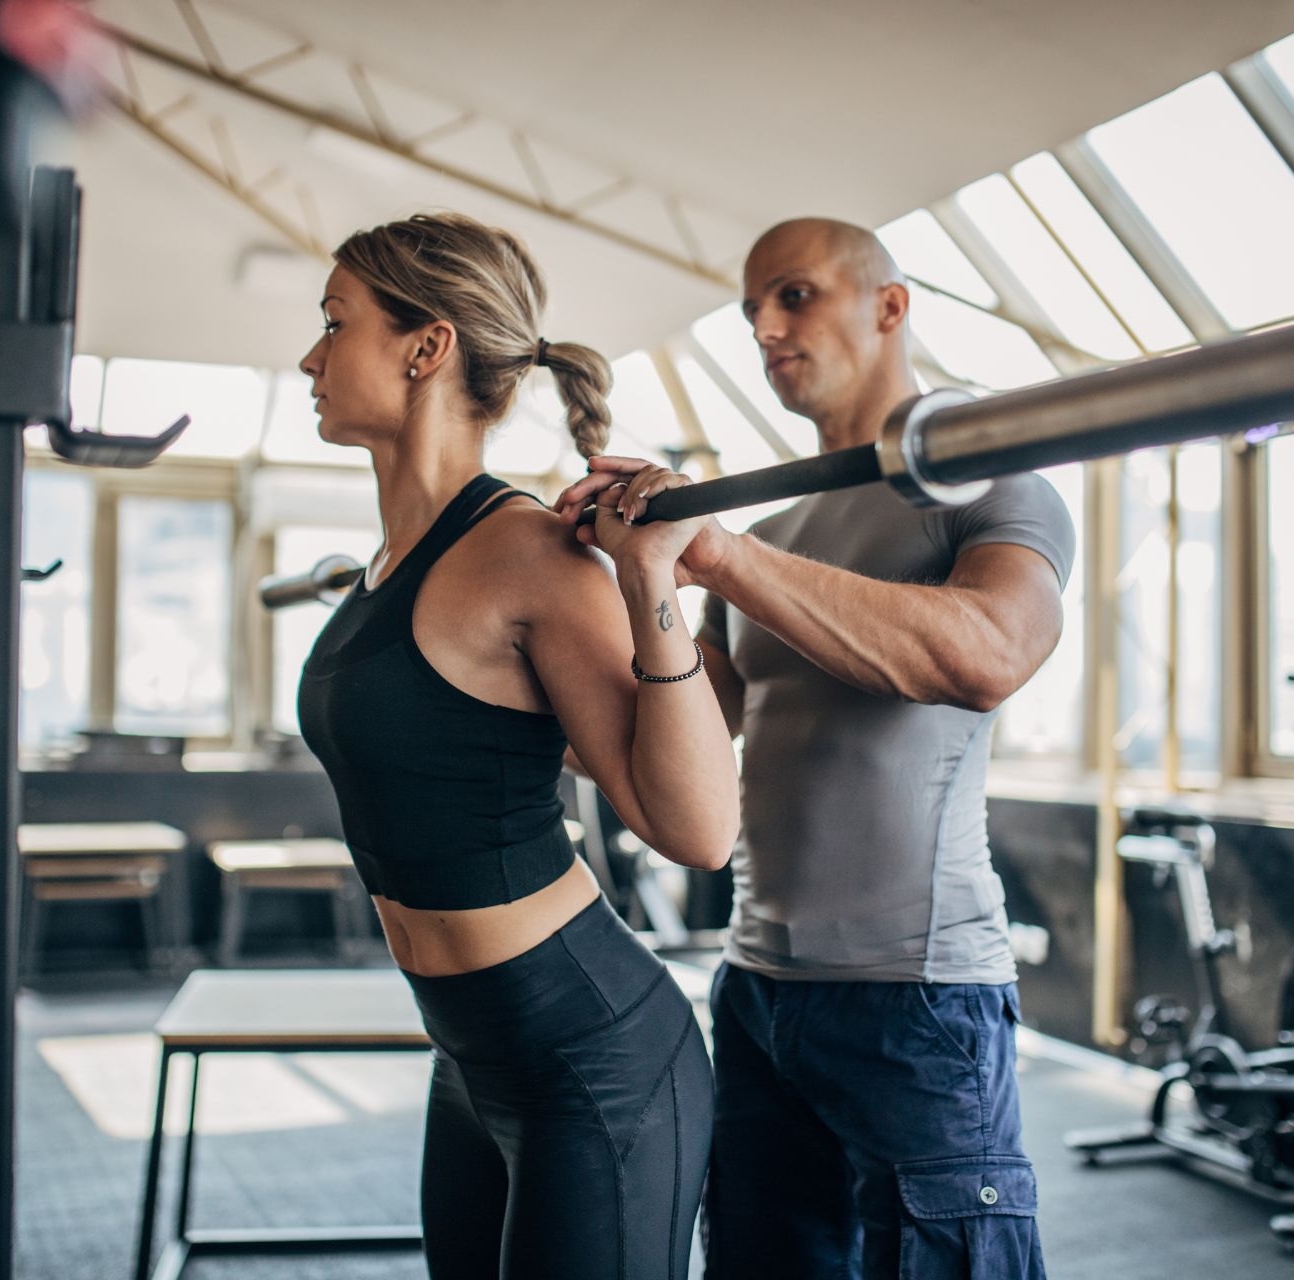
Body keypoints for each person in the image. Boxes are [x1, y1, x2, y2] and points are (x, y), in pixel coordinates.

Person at [558, 217, 1074, 1279]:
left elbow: (985, 654)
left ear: (890, 305)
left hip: (916, 995)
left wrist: (718, 553)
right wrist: (601, 581)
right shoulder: (781, 531)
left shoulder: (997, 487)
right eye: (752, 310)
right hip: (755, 990)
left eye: (794, 295)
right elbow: (682, 716)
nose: (766, 327)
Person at [294, 212, 738, 1280]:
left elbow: (700, 828)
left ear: (425, 346)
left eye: (333, 323)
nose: (310, 356)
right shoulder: (388, 563)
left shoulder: (532, 554)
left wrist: (647, 581)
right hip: (474, 1056)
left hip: (595, 1060)